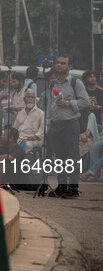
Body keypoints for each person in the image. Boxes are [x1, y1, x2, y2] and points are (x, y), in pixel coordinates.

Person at [46, 54, 89, 198]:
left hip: (70, 124)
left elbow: (85, 102)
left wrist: (68, 103)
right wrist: (48, 123)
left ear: (69, 67)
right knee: (60, 158)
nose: (59, 65)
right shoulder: (53, 84)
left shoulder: (75, 82)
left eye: (63, 63)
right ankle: (62, 185)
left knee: (72, 157)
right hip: (56, 125)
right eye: (57, 63)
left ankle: (73, 187)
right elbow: (51, 105)